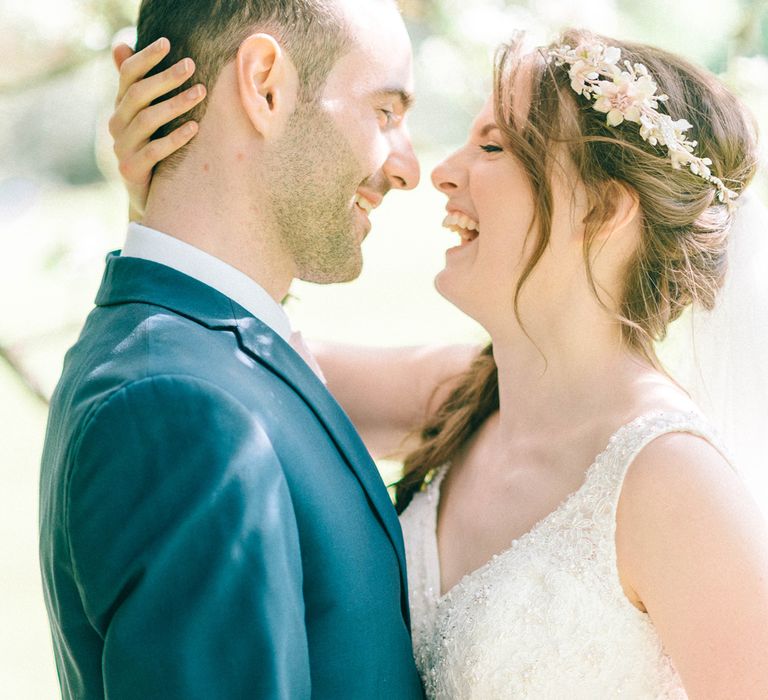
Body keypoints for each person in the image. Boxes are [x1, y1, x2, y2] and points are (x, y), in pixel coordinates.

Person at [111, 27, 768, 700]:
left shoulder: (673, 481)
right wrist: (171, 197)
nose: (443, 170)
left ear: (603, 210)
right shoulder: (464, 397)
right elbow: (226, 367)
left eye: (493, 146)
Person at [38, 1, 425, 698]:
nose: (409, 168)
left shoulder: (203, 356)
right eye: (386, 112)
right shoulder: (182, 410)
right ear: (265, 85)